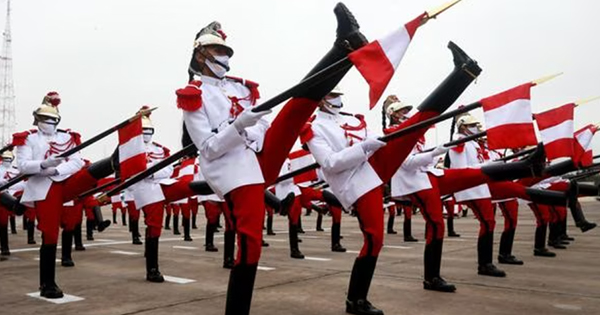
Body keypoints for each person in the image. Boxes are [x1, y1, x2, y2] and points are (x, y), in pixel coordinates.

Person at [178, 5, 369, 313]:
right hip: (231, 170)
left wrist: (250, 129)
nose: (225, 56)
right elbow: (210, 148)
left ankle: (343, 48)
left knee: (294, 111)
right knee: (251, 244)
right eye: (217, 49)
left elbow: (262, 126)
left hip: (256, 155)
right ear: (201, 55)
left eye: (226, 50)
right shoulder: (192, 95)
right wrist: (240, 125)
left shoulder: (239, 87)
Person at [14, 91, 116, 298]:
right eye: (45, 119)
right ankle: (47, 283)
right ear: (36, 119)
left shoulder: (68, 137)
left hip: (64, 179)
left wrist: (57, 170)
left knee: (88, 176)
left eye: (53, 119)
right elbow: (23, 165)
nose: (49, 122)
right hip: (43, 187)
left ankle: (116, 160)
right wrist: (43, 165)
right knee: (51, 233)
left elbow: (77, 161)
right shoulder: (28, 139)